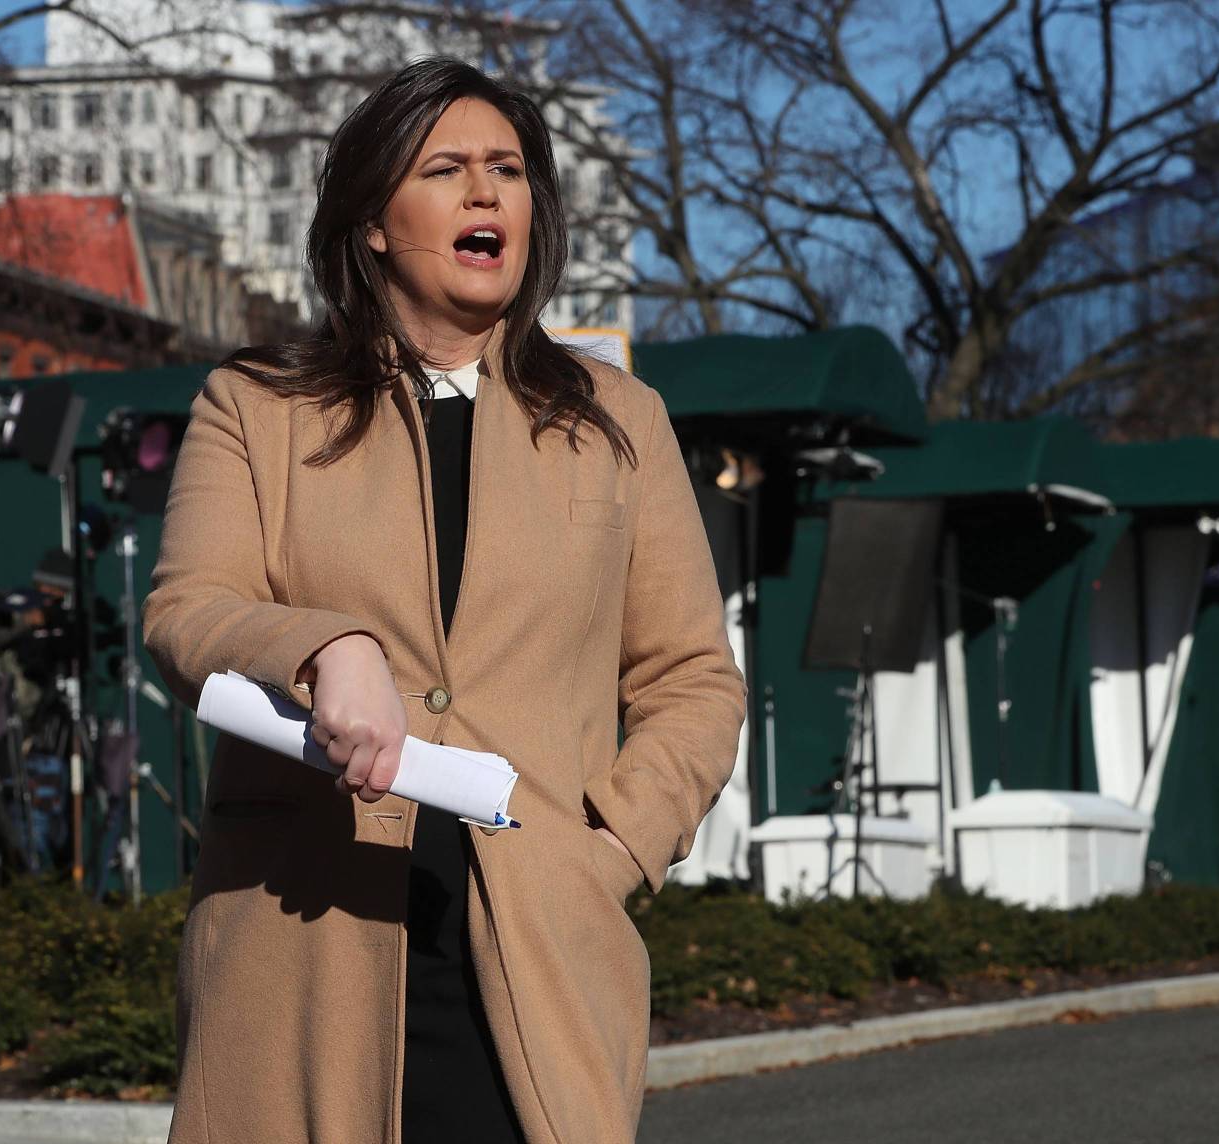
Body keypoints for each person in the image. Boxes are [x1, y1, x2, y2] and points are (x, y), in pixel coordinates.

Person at [143, 56, 746, 1144]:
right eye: (449, 168)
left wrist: (611, 847)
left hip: (538, 949)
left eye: (509, 171)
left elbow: (692, 678)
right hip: (305, 943)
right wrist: (329, 646)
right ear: (374, 220)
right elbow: (187, 612)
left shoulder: (619, 423)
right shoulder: (256, 406)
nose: (487, 194)